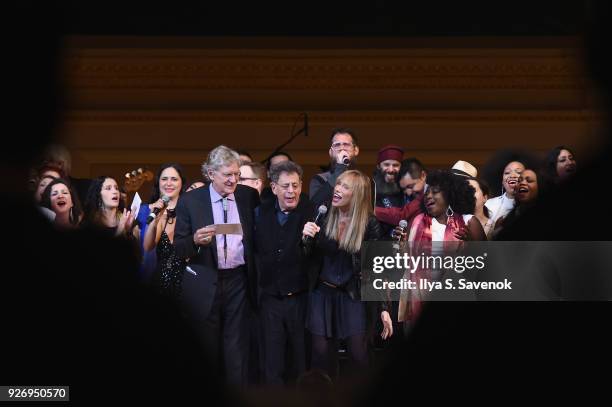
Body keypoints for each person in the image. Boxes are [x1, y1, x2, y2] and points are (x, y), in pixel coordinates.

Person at [174, 145, 260, 385]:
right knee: (208, 348)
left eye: (236, 174)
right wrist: (193, 240)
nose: (233, 180)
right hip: (206, 281)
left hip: (238, 281)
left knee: (236, 349)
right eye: (227, 175)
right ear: (211, 174)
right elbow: (179, 248)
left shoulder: (247, 196)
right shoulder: (190, 201)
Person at [302, 170, 393, 379]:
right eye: (338, 184)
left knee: (358, 355)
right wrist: (305, 239)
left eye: (345, 187)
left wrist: (384, 308)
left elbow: (376, 267)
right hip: (322, 294)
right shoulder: (323, 214)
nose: (337, 189)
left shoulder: (368, 223)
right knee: (321, 356)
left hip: (352, 295)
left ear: (358, 194)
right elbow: (307, 257)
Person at [398, 170, 485, 324]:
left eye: (435, 191)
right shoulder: (418, 222)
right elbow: (408, 264)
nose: (429, 196)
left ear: (450, 194)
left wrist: (471, 244)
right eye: (427, 193)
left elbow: (486, 266)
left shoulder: (469, 222)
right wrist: (401, 246)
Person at [254, 160, 313, 385]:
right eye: (286, 186)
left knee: (300, 363)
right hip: (269, 300)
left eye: (296, 185)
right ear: (274, 188)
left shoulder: (311, 213)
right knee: (272, 363)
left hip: (300, 299)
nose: (291, 191)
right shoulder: (260, 214)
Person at [141, 163, 187, 299]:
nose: (169, 183)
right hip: (161, 283)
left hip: (188, 282)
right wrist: (155, 218)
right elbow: (148, 246)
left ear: (181, 183)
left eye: (174, 179)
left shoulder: (189, 212)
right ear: (158, 183)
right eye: (164, 179)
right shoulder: (157, 213)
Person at [309, 128, 360, 210]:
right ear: (331, 152)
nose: (342, 148)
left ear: (356, 150)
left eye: (346, 144)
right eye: (337, 145)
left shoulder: (365, 181)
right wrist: (340, 167)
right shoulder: (319, 179)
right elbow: (314, 207)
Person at [484, 160, 525, 227]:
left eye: (518, 172)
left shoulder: (533, 205)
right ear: (502, 182)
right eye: (507, 173)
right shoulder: (488, 205)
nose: (512, 175)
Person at [373, 145, 404, 209]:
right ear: (378, 166)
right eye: (386, 165)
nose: (391, 170)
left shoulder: (407, 190)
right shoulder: (370, 189)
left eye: (395, 165)